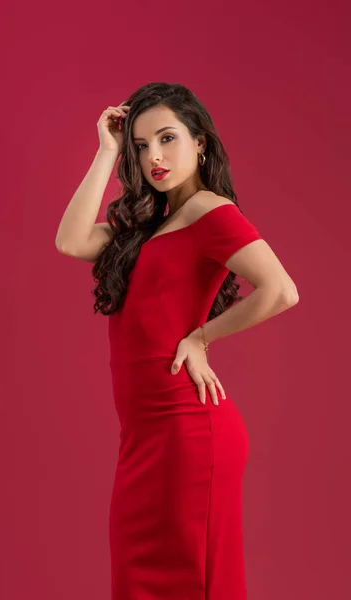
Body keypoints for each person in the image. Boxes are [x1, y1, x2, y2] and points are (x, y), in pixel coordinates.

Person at [55, 82, 299, 600]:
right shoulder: (144, 226)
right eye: (141, 146)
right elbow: (70, 239)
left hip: (189, 434)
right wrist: (106, 150)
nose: (154, 157)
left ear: (201, 142)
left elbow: (281, 290)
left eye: (167, 139)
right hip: (143, 442)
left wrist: (203, 336)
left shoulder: (212, 211)